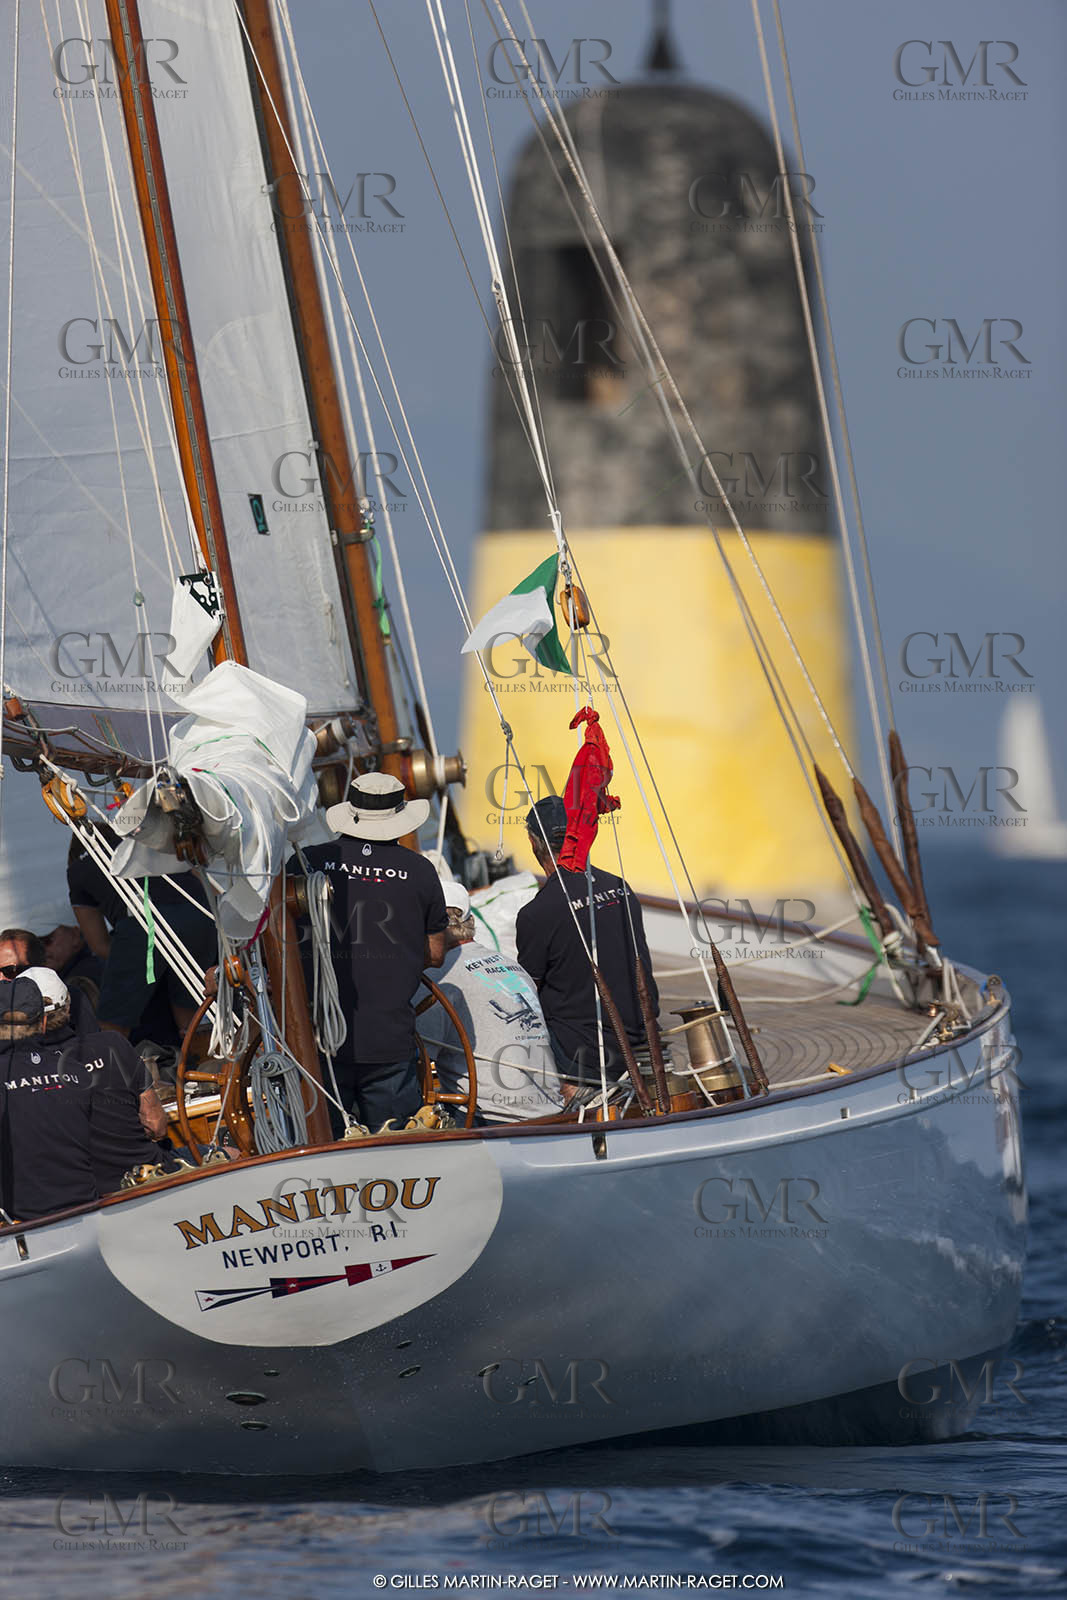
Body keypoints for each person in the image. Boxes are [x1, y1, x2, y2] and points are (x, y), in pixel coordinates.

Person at [300, 772, 447, 1132]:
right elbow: (436, 953)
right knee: (397, 1153)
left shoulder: (307, 863)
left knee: (321, 1151)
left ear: (350, 812)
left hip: (316, 1042)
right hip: (389, 1042)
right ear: (398, 819)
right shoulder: (420, 871)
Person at [0, 974, 172, 1222]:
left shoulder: (43, 1070)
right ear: (63, 1009)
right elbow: (156, 1125)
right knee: (229, 1152)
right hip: (136, 1185)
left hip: (60, 1214)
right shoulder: (96, 1055)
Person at [516, 795, 659, 1093]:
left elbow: (529, 993)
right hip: (640, 1038)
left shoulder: (536, 914)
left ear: (533, 842)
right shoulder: (620, 887)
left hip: (583, 1056)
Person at [416, 881, 563, 1125]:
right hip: (549, 1110)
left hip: (493, 1117)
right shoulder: (511, 964)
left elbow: (417, 1060)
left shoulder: (435, 977)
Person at [66, 828, 216, 1045]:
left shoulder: (77, 870)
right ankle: (205, 1069)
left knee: (113, 1020)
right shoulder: (151, 845)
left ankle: (114, 1074)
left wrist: (139, 967)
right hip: (200, 915)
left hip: (143, 923)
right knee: (193, 1007)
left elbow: (99, 945)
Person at [0, 927, 98, 1037]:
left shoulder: (71, 998)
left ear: (38, 968)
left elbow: (91, 1048)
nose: (1, 979)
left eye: (9, 971)